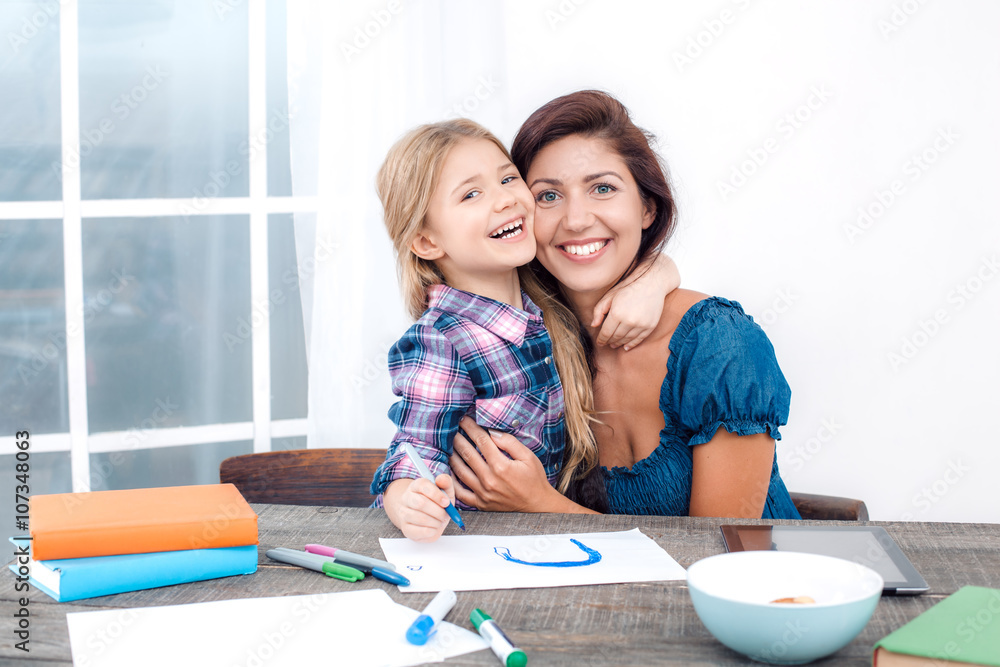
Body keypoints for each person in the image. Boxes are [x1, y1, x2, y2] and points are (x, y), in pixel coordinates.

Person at [449, 91, 801, 519]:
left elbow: (718, 556)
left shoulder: (721, 346)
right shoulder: (522, 347)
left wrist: (541, 505)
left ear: (647, 208)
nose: (576, 220)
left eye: (602, 188)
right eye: (547, 196)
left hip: (757, 585)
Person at [369, 118, 681, 541]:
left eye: (508, 179)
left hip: (549, 539)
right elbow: (412, 452)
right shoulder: (440, 341)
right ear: (426, 242)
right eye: (472, 194)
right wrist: (407, 500)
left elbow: (629, 264)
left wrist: (657, 275)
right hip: (482, 548)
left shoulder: (547, 306)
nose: (504, 200)